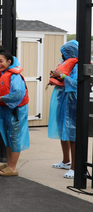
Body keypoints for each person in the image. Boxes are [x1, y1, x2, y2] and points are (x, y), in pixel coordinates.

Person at [0, 46, 30, 177]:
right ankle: (9, 163)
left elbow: (17, 94)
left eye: (1, 61)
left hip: (15, 110)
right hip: (5, 108)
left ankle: (13, 167)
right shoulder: (2, 73)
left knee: (14, 138)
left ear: (9, 61)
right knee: (7, 136)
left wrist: (0, 99)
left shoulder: (15, 76)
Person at [48, 40, 78, 179]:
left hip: (72, 102)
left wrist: (62, 75)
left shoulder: (77, 66)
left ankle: (75, 167)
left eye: (64, 53)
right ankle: (66, 161)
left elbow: (77, 83)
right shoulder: (67, 64)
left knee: (72, 134)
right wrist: (56, 75)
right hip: (63, 101)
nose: (63, 56)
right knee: (63, 131)